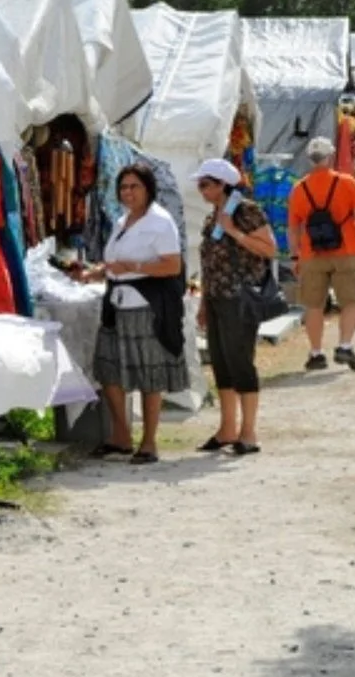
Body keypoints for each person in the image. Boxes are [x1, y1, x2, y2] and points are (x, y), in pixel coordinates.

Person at [87, 161, 186, 463]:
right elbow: (118, 263)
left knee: (148, 373)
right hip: (116, 303)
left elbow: (172, 266)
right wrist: (97, 272)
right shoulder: (122, 221)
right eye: (124, 187)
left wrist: (133, 267)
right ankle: (121, 435)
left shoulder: (161, 222)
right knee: (108, 369)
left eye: (134, 186)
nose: (128, 193)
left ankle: (150, 442)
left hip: (145, 305)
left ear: (148, 189)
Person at [193, 159, 277, 454]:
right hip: (217, 296)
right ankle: (227, 427)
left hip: (240, 297)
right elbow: (209, 262)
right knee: (221, 362)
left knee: (240, 360)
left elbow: (269, 249)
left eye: (205, 184)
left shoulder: (246, 211)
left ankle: (249, 431)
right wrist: (204, 301)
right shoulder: (213, 215)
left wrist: (234, 232)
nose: (200, 190)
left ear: (221, 184)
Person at [285, 135, 355, 371]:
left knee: (314, 306)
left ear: (309, 160)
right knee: (350, 302)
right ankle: (344, 346)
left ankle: (316, 353)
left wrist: (296, 255)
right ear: (331, 156)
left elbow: (293, 228)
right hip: (347, 250)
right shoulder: (347, 182)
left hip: (312, 254)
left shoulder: (299, 188)